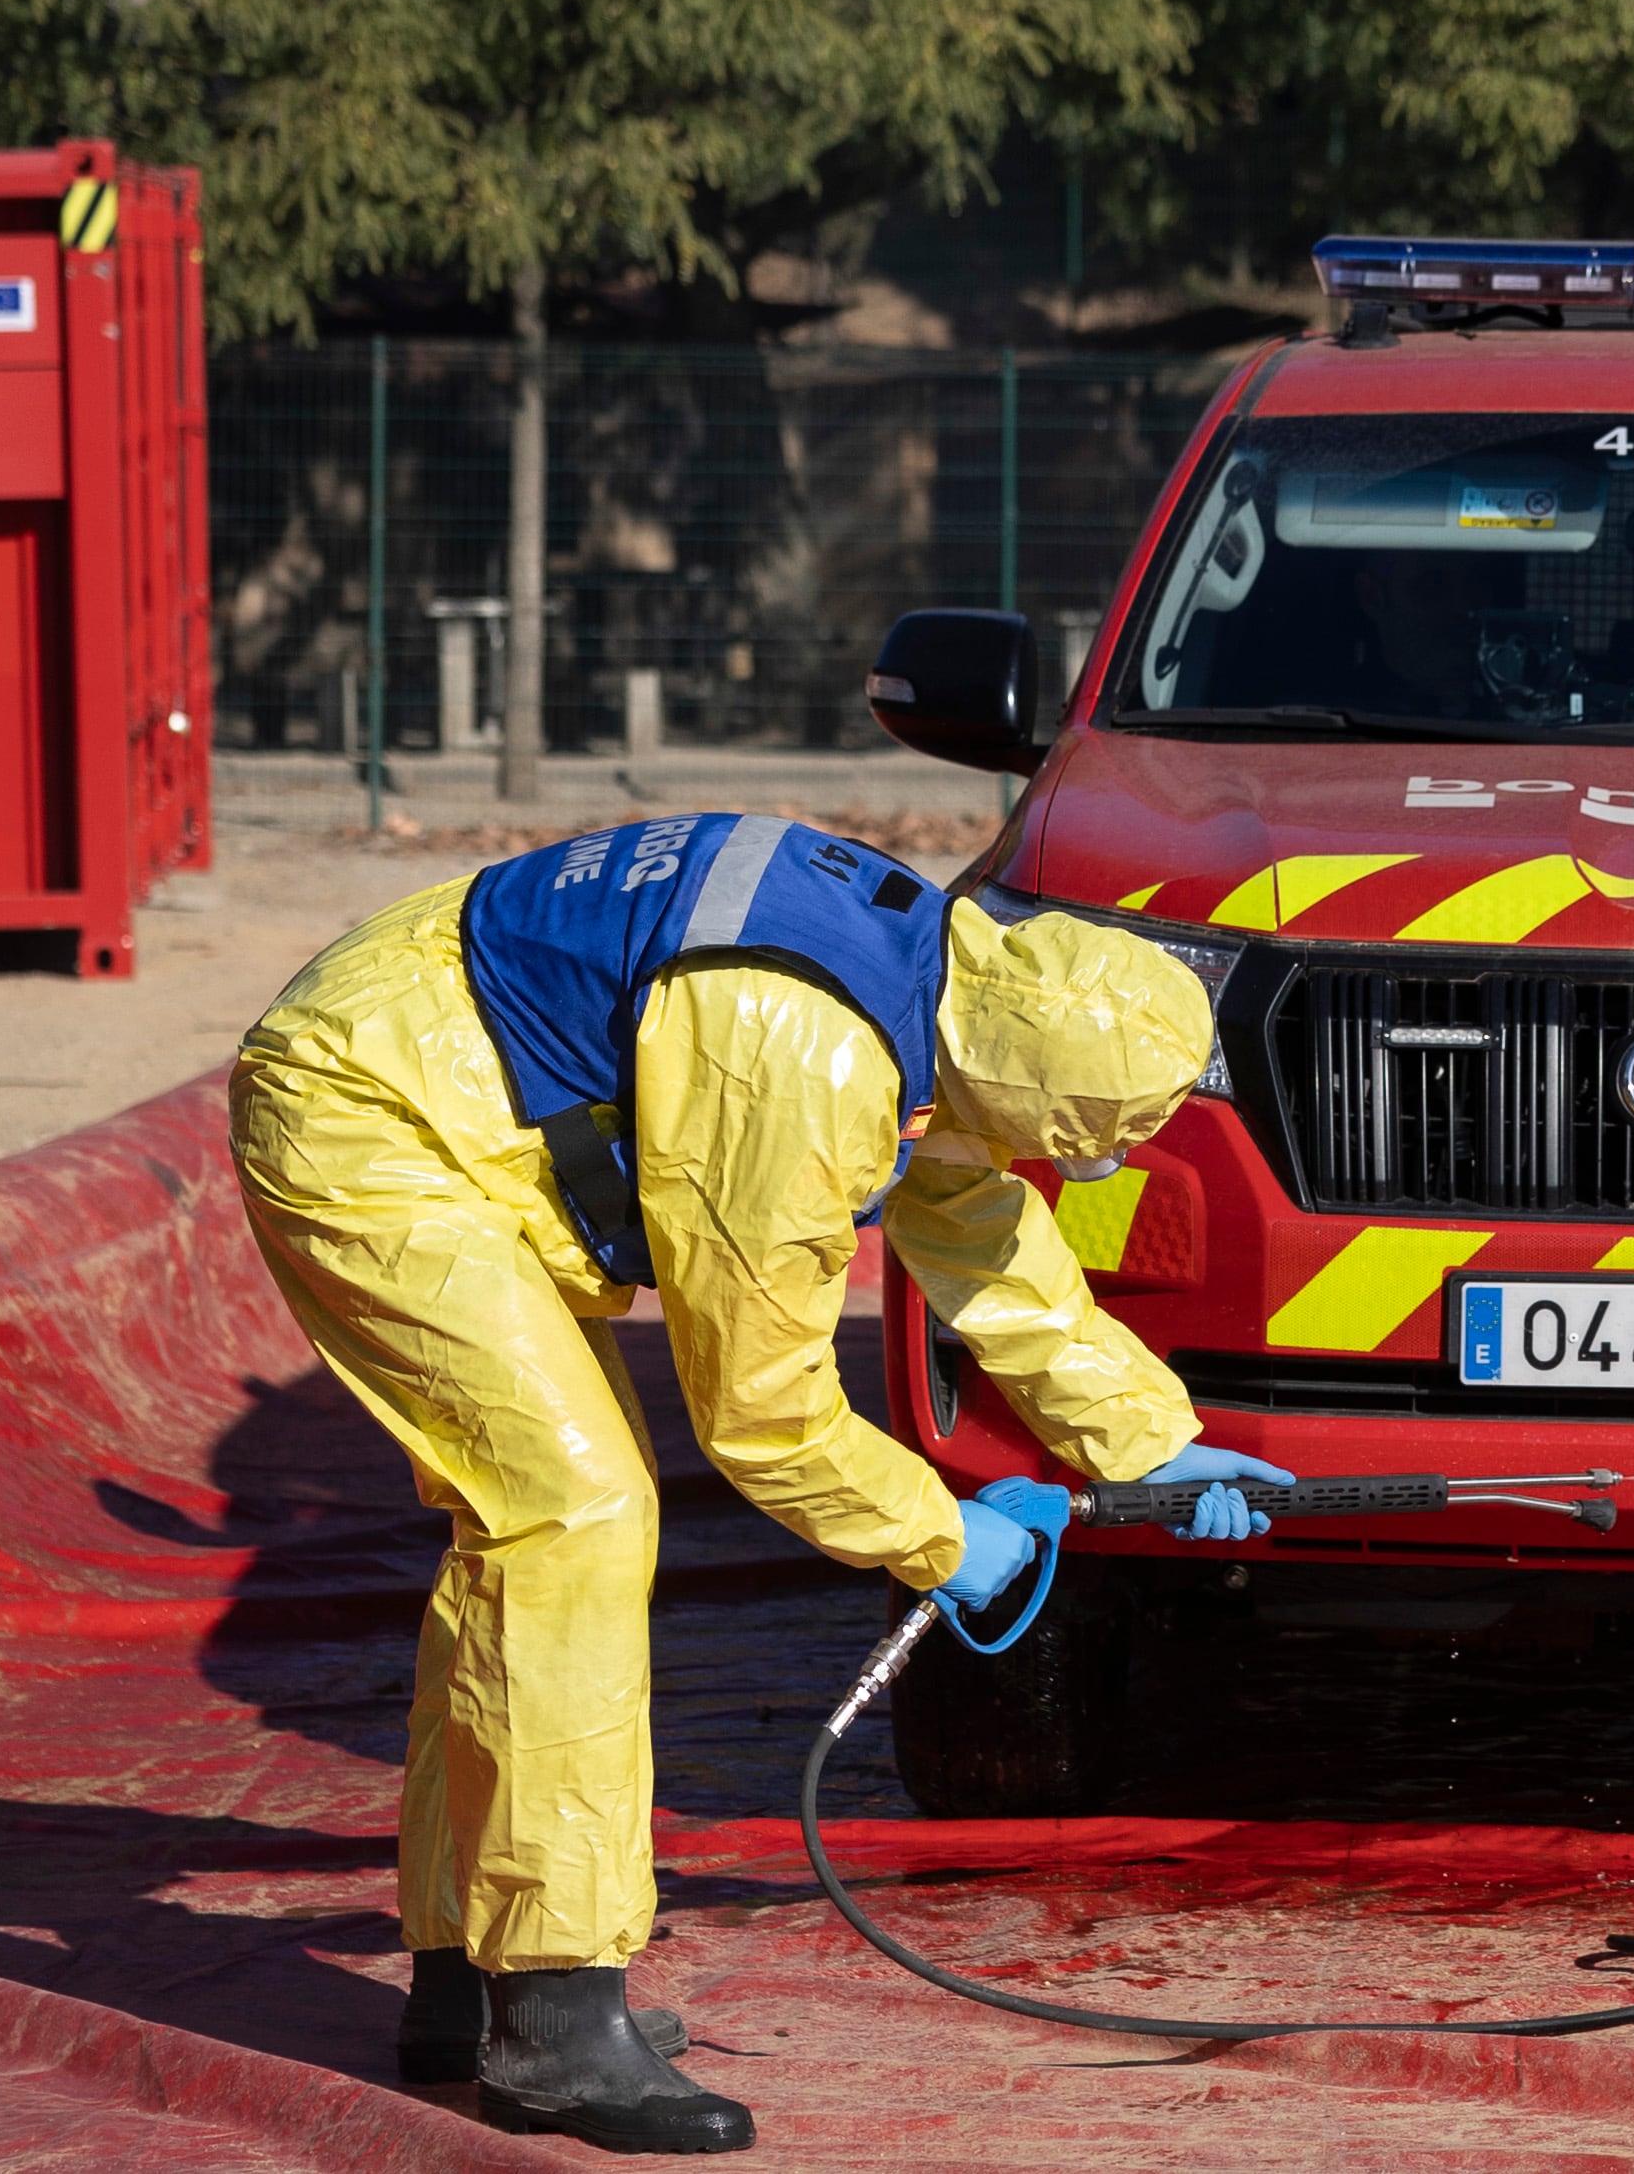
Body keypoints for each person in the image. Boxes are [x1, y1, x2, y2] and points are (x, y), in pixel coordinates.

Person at [230, 811, 1284, 2154]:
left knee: (535, 1535)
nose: (1051, 1167)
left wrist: (1141, 1436)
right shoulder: (799, 1053)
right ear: (1024, 1079)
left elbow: (969, 1211)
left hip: (420, 1061)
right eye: (1064, 1144)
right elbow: (764, 1411)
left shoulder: (954, 978)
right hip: (366, 1116)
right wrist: (937, 1536)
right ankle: (553, 2015)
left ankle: (468, 1974)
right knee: (575, 1512)